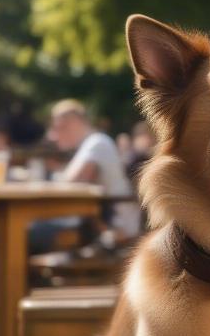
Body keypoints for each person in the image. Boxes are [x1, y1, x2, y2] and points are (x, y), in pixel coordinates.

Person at [29, 99, 140, 252]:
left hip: (112, 229)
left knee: (24, 231)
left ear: (74, 123)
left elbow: (70, 186)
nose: (53, 136)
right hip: (99, 225)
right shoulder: (92, 144)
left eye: (57, 127)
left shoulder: (96, 143)